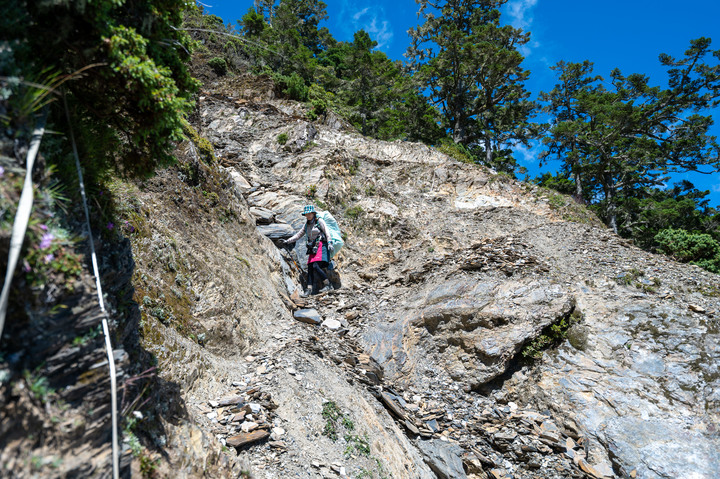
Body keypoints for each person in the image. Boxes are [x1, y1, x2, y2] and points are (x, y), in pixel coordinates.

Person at [284, 205, 334, 295]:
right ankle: (308, 290)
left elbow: (327, 231)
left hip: (322, 245)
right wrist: (287, 241)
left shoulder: (319, 221)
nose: (309, 215)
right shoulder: (306, 225)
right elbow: (299, 235)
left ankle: (328, 285)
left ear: (313, 213)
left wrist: (330, 242)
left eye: (310, 213)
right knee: (310, 267)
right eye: (307, 214)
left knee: (315, 265)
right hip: (313, 248)